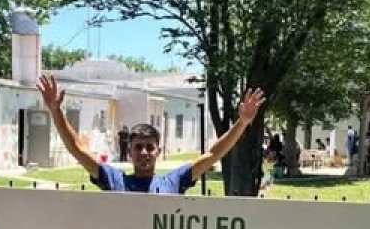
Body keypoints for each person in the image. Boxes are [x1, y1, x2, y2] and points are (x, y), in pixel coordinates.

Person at [37, 73, 265, 194]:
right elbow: (78, 150)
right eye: (138, 147)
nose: (144, 152)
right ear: (129, 151)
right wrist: (56, 111)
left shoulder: (174, 181)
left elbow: (213, 155)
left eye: (149, 147)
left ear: (159, 151)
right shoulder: (114, 180)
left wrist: (242, 122)